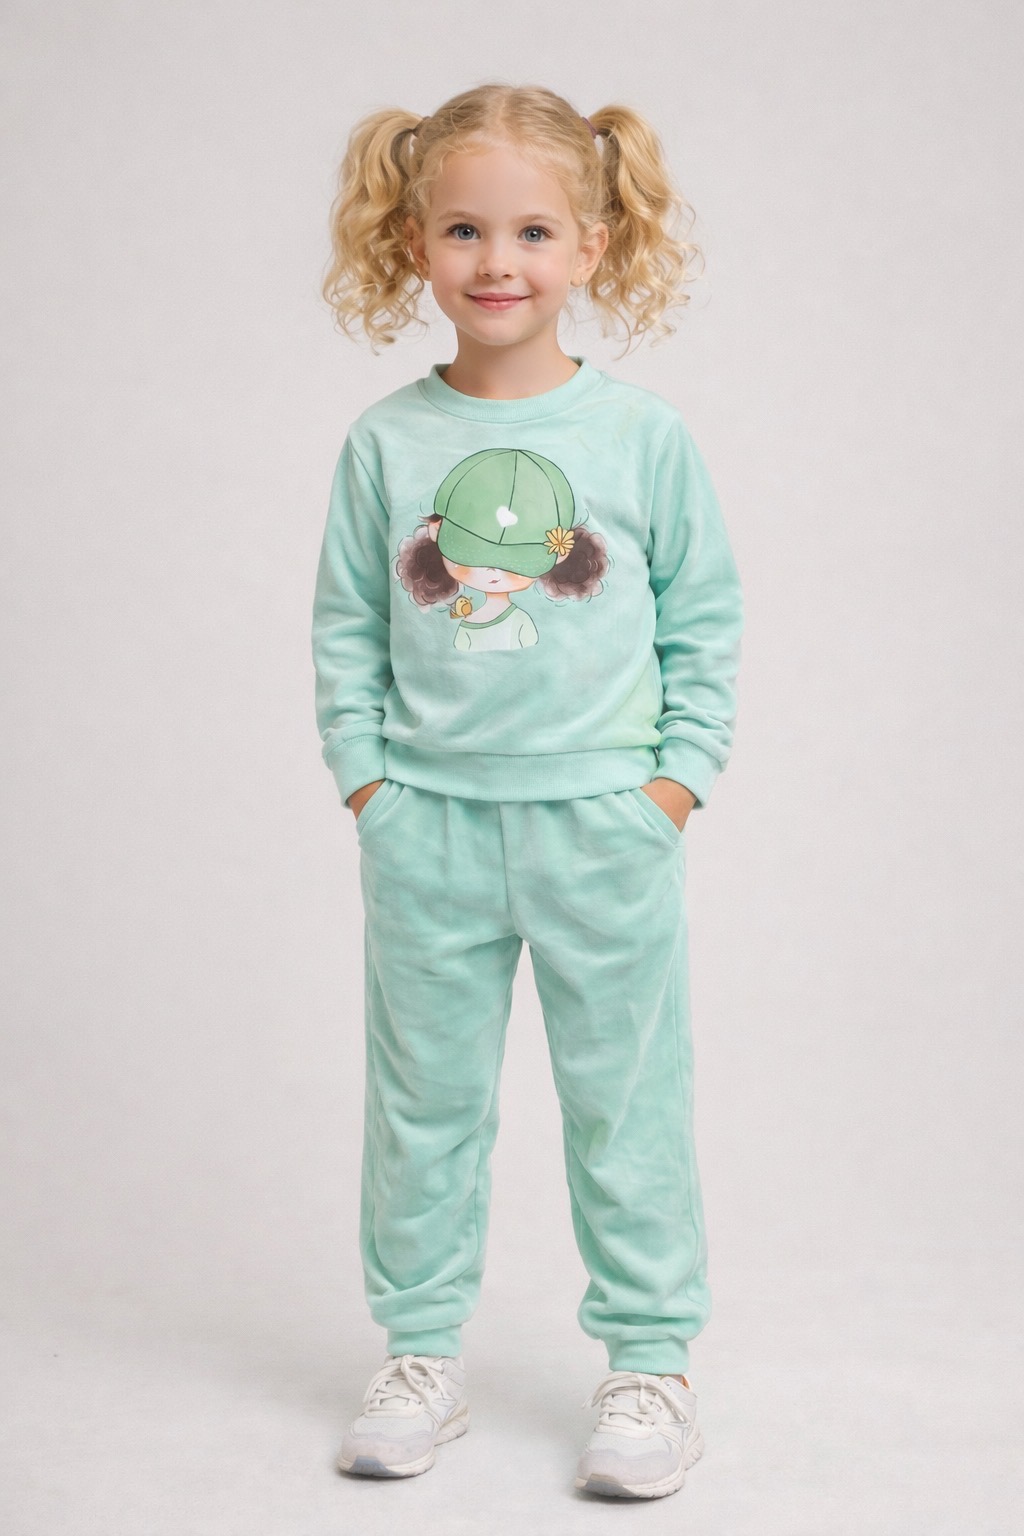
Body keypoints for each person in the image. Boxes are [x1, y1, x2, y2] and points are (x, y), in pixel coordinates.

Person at [310, 81, 744, 1502]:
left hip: (604, 828)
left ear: (593, 245)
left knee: (627, 1104)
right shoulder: (385, 443)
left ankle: (650, 1366)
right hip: (426, 829)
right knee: (422, 1106)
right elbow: (345, 627)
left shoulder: (641, 437)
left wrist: (673, 786)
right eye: (464, 229)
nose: (498, 260)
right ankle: (420, 1353)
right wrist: (370, 785)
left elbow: (704, 617)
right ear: (414, 243)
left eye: (534, 231)